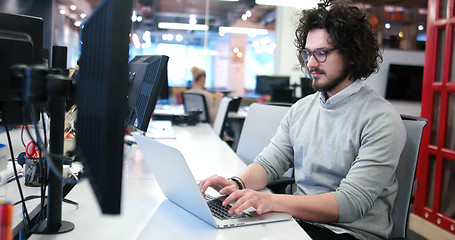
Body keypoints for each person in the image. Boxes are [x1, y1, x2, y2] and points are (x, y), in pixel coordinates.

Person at [198, 0, 407, 239]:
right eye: (307, 53)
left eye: (322, 53)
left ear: (351, 55)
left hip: (348, 232)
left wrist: (270, 200)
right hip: (297, 222)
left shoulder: (381, 119)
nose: (310, 64)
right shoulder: (301, 109)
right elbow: (269, 163)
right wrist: (237, 183)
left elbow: (349, 204)